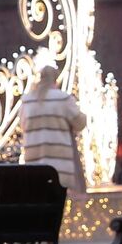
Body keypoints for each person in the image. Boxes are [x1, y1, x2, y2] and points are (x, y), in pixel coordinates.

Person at [18, 63, 87, 191]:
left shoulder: (27, 101)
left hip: (34, 165)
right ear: (56, 79)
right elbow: (80, 123)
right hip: (59, 166)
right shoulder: (63, 99)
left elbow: (22, 125)